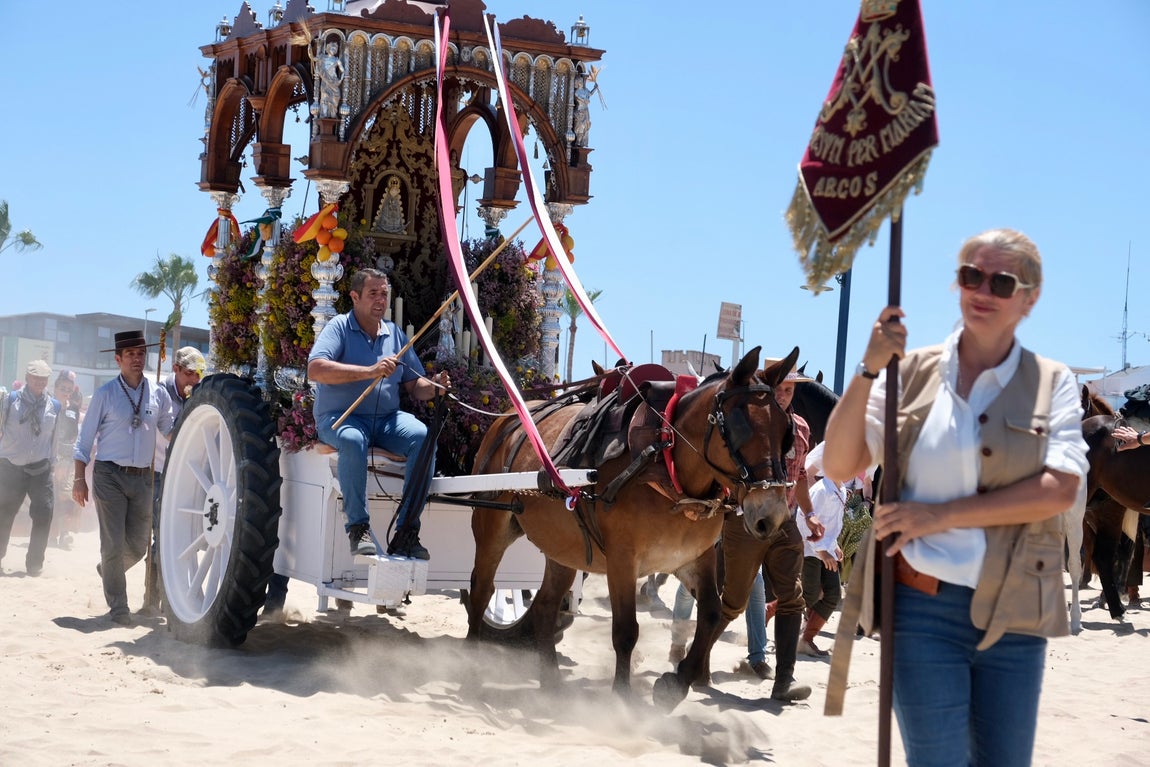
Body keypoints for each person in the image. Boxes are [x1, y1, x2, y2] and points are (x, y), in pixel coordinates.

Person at [822, 228, 1088, 766]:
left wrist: (939, 515)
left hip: (1017, 610)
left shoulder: (1052, 383)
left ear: (1029, 298)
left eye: (1001, 280)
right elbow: (839, 463)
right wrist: (869, 369)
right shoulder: (909, 374)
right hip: (921, 609)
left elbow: (1060, 488)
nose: (982, 290)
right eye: (971, 275)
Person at [670, 359, 825, 699]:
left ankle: (783, 681)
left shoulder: (799, 427)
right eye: (779, 389)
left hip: (782, 521)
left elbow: (798, 476)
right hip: (744, 521)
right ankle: (695, 662)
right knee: (733, 603)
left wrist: (810, 514)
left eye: (789, 390)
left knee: (792, 598)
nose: (783, 395)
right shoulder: (749, 424)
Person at [308, 268, 449, 560]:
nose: (380, 300)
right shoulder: (338, 327)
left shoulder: (394, 334)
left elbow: (414, 385)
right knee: (351, 439)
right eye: (373, 293)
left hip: (386, 421)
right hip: (341, 418)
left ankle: (406, 531)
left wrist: (435, 387)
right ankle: (357, 527)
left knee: (422, 436)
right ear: (355, 297)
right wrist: (370, 371)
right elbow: (316, 368)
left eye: (384, 294)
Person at [74, 330, 175, 626]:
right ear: (118, 359)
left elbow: (171, 429)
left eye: (140, 353)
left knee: (140, 541)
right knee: (113, 543)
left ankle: (108, 569)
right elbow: (83, 441)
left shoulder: (158, 393)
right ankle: (119, 607)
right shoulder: (105, 394)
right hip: (110, 475)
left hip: (145, 477)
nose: (136, 358)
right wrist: (79, 479)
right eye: (129, 354)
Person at [141, 346, 205, 612]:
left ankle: (168, 600)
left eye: (199, 374)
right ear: (176, 369)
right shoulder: (156, 394)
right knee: (160, 537)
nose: (195, 380)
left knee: (174, 537)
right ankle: (152, 600)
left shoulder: (198, 396)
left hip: (184, 478)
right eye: (190, 373)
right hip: (157, 472)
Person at [0, 360, 62, 576]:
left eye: (43, 378)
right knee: (3, 514)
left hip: (41, 469)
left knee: (44, 513)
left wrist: (53, 464)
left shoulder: (54, 406)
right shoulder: (10, 400)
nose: (39, 382)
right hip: (10, 468)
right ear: (27, 377)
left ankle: (34, 564)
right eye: (35, 377)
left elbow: (54, 438)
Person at [795, 443, 845, 657]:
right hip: (811, 549)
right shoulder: (822, 490)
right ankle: (770, 610)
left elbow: (832, 523)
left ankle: (806, 639)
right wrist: (821, 550)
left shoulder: (841, 489)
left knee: (833, 594)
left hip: (827, 549)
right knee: (809, 594)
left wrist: (834, 546)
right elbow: (802, 518)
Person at [49, 370, 81, 550]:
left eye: (69, 389)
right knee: (51, 498)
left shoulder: (73, 409)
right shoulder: (47, 405)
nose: (66, 392)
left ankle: (65, 534)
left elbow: (73, 435)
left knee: (67, 497)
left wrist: (67, 460)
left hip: (68, 461)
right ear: (55, 388)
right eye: (63, 388)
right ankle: (51, 534)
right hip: (50, 460)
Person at [314, 40, 344, 119]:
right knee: (325, 96)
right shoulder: (322, 57)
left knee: (336, 96)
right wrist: (309, 49)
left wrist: (341, 79)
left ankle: (333, 113)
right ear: (328, 49)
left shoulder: (336, 60)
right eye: (332, 48)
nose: (333, 50)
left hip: (334, 81)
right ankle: (324, 114)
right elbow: (313, 58)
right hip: (325, 80)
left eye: (335, 49)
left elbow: (343, 70)